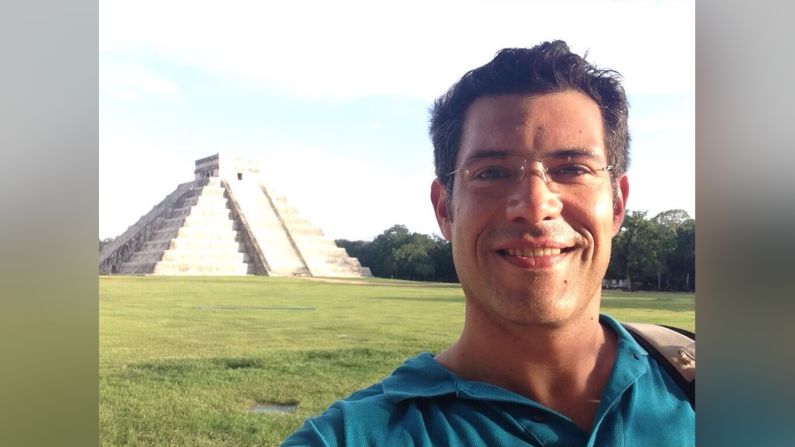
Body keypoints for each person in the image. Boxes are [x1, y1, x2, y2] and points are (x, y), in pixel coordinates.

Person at [282, 40, 694, 446]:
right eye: (492, 172)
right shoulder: (352, 438)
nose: (535, 205)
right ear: (444, 209)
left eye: (571, 168)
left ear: (618, 204)